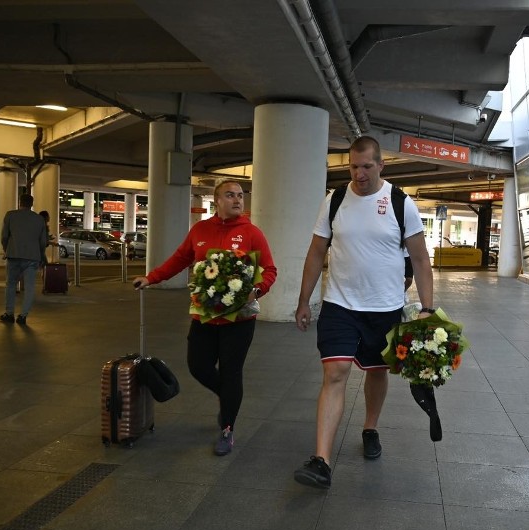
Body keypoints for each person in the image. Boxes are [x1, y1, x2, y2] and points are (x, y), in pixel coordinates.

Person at [293, 135, 434, 489]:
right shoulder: (335, 200)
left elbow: (419, 259)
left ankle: (370, 426)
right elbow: (315, 252)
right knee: (336, 372)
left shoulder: (401, 203)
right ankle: (321, 459)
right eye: (354, 167)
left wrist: (428, 309)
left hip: (384, 307)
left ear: (381, 165)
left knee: (376, 371)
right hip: (340, 304)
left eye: (367, 167)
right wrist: (303, 300)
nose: (359, 174)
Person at [133, 179, 277, 456]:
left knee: (231, 372)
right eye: (230, 195)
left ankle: (227, 427)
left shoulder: (252, 233)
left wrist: (256, 290)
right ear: (217, 200)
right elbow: (179, 259)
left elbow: (269, 270)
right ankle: (228, 397)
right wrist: (151, 278)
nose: (238, 200)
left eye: (240, 196)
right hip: (205, 317)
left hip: (239, 321)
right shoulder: (200, 230)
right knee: (198, 366)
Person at [0, 193, 48, 325]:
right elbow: (43, 242)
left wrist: (6, 249)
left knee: (10, 284)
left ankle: (9, 313)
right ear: (32, 204)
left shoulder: (10, 215)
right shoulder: (39, 219)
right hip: (32, 257)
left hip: (14, 254)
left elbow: (4, 236)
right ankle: (23, 316)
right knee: (30, 287)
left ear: (19, 202)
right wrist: (41, 255)